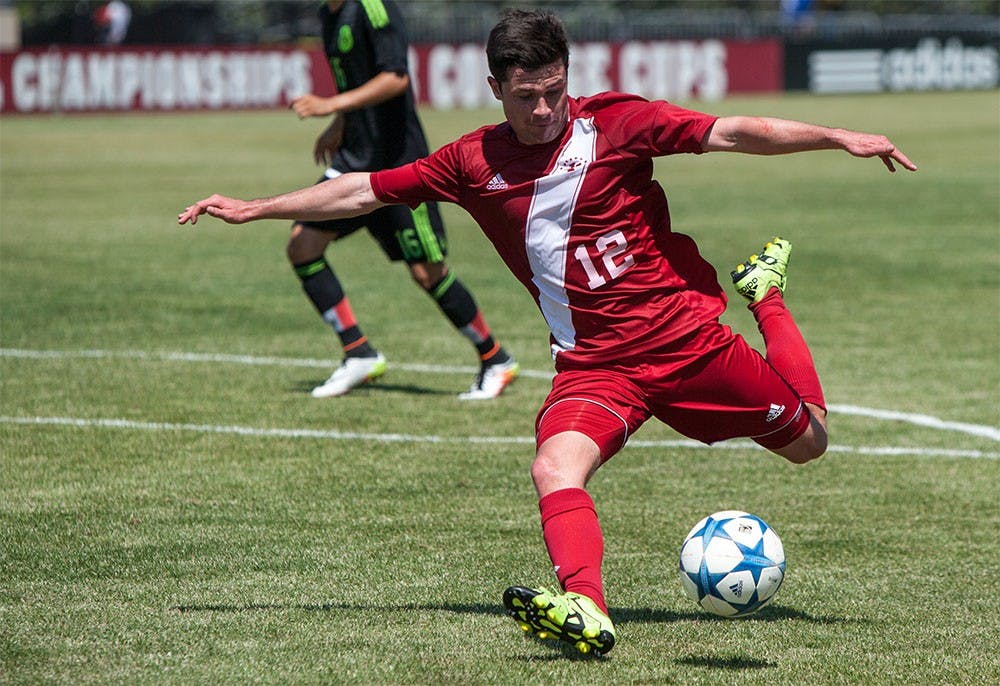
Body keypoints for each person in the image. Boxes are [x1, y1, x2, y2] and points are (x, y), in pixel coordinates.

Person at [179, 8, 916, 657]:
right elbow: (363, 187)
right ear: (495, 89)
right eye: (526, 96)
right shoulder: (471, 162)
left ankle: (766, 295)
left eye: (554, 92)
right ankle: (588, 610)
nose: (542, 109)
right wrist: (257, 207)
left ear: (569, 78)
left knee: (810, 441)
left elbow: (734, 130)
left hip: (687, 344)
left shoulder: (618, 125)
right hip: (594, 366)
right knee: (553, 469)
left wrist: (836, 134)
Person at [286, 0, 517, 399]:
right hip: (353, 162)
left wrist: (330, 105)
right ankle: (358, 352)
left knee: (428, 273)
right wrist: (339, 124)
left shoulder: (374, 8)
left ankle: (494, 357)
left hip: (398, 168)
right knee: (302, 245)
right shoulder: (329, 14)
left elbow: (395, 79)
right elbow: (354, 82)